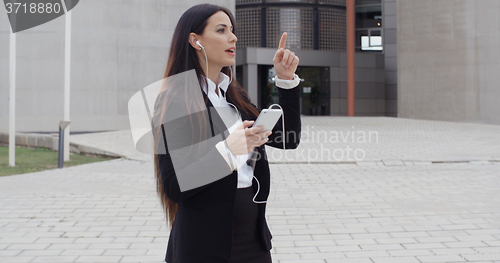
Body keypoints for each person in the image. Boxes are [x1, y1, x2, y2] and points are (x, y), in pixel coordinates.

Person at [152, 3, 301, 263]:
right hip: (203, 245)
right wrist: (228, 151)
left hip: (252, 238)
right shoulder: (176, 99)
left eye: (232, 30)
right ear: (195, 40)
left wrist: (286, 82)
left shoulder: (232, 94)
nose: (232, 37)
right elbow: (175, 186)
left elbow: (288, 138)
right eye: (221, 30)